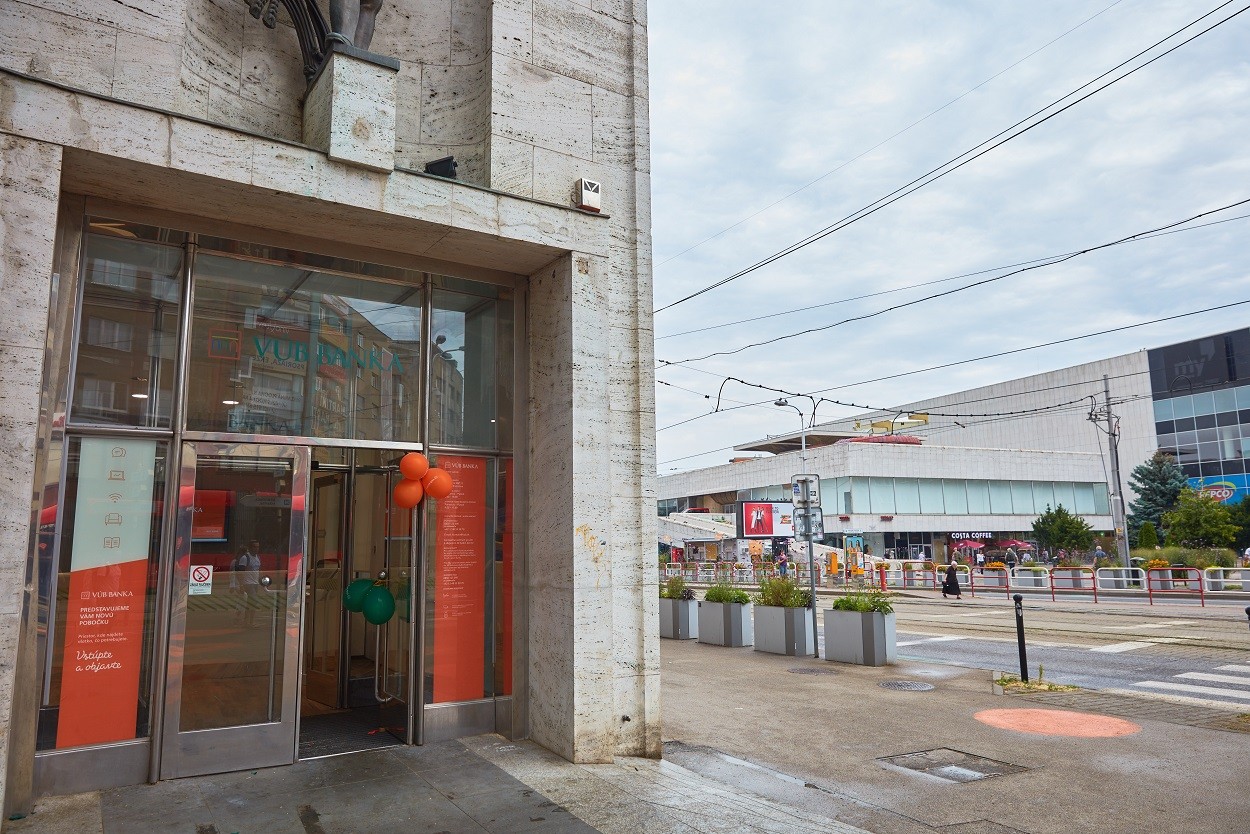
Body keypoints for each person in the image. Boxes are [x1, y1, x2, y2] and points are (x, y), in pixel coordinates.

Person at [230, 540, 262, 627]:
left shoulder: (258, 557)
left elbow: (257, 570)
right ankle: (251, 622)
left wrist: (260, 580)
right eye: (254, 547)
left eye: (258, 547)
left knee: (250, 602)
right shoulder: (245, 558)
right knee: (254, 601)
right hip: (248, 583)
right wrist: (241, 585)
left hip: (255, 583)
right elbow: (240, 572)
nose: (257, 548)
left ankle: (247, 621)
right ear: (250, 547)